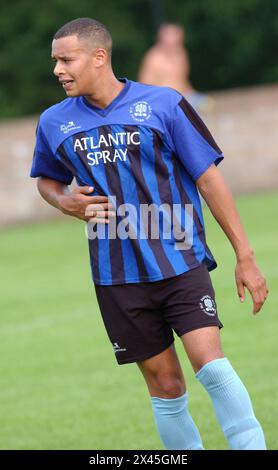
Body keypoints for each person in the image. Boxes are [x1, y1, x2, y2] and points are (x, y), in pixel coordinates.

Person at [29, 18, 268, 450]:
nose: (57, 70)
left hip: (179, 257)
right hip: (116, 275)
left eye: (66, 60)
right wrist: (63, 200)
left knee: (211, 367)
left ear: (99, 57)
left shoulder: (163, 104)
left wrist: (244, 256)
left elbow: (210, 181)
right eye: (55, 62)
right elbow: (46, 179)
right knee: (166, 386)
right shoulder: (53, 122)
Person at [138, 22, 213, 113]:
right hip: (162, 101)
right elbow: (144, 87)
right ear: (161, 40)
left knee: (206, 104)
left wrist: (193, 95)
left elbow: (183, 81)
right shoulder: (153, 58)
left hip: (183, 97)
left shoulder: (181, 55)